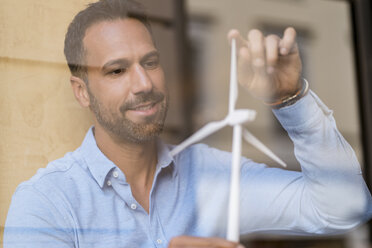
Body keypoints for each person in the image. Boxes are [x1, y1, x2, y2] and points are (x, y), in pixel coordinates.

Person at [3, 0, 372, 247]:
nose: (144, 84)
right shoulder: (47, 203)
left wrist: (290, 99)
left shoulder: (211, 174)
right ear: (81, 92)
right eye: (117, 70)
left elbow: (346, 207)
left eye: (150, 62)